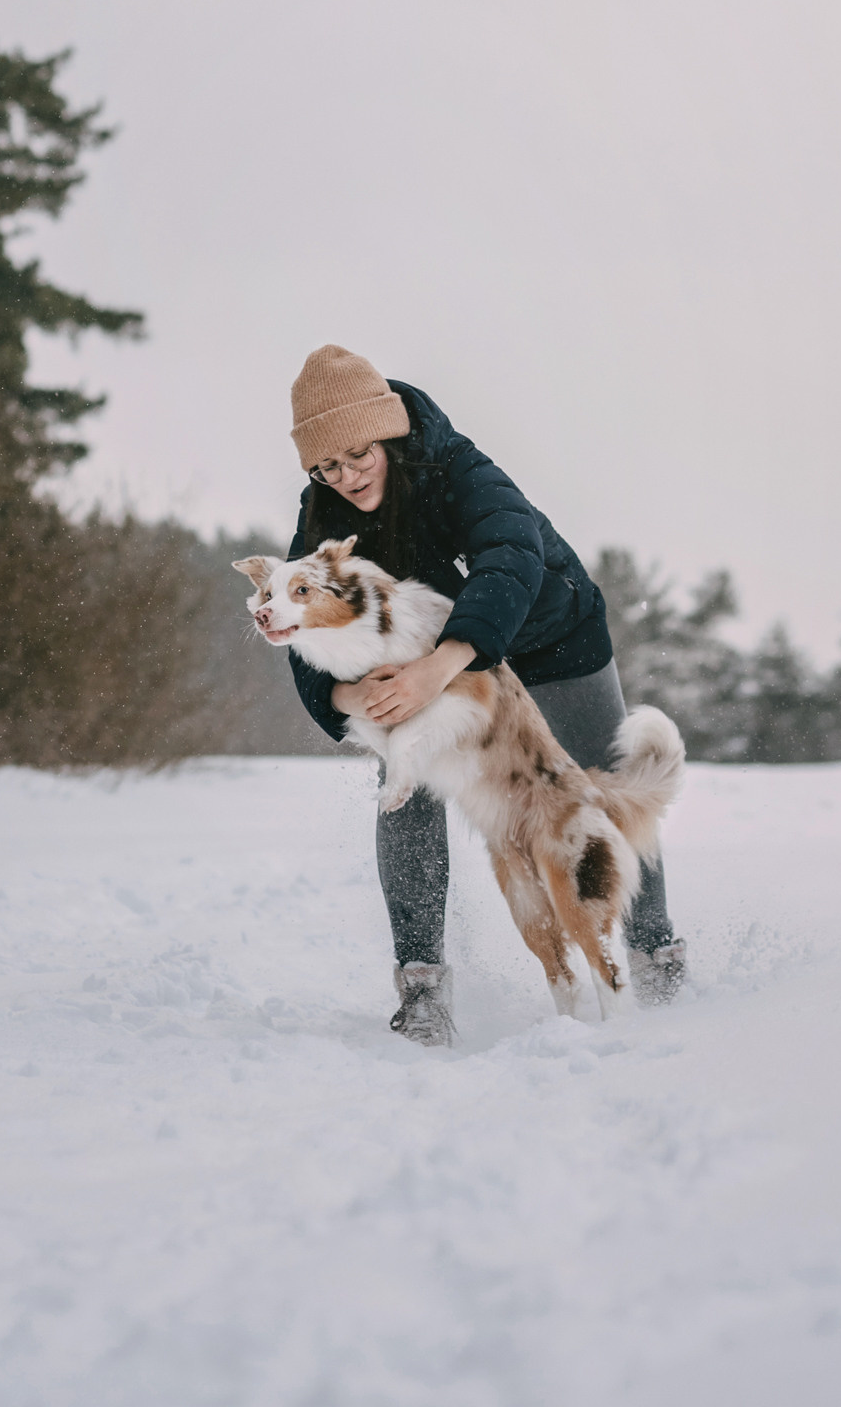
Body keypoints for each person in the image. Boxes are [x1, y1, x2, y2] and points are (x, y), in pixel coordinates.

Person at [285, 344, 687, 1045]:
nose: (346, 476)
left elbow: (511, 555)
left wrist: (443, 665)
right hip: (437, 668)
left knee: (597, 795)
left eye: (358, 454)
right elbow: (307, 620)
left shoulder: (457, 467)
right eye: (327, 466)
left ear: (386, 430)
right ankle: (421, 986)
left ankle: (656, 954)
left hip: (549, 639)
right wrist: (349, 700)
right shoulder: (325, 514)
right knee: (403, 782)